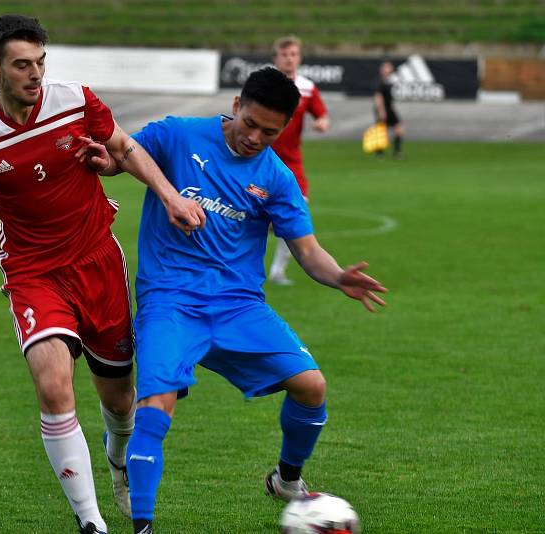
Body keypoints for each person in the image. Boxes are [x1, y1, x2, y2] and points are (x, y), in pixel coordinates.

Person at [0, 14, 205, 534]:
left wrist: (169, 195)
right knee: (53, 386)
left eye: (40, 62)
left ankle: (117, 460)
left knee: (119, 399)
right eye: (22, 65)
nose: (35, 74)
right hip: (33, 273)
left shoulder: (76, 101)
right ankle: (90, 521)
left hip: (97, 261)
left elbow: (124, 149)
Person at [84, 67, 387, 533]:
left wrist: (338, 275)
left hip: (238, 306)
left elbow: (307, 250)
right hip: (170, 301)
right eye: (250, 124)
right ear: (236, 106)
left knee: (312, 386)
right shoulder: (178, 135)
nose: (255, 138)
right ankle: (142, 525)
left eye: (270, 132)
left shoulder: (276, 178)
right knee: (155, 409)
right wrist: (105, 163)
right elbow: (124, 155)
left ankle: (287, 480)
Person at [267, 35, 331, 286]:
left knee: (295, 215)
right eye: (284, 54)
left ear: (299, 58)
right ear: (276, 58)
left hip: (292, 165)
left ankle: (278, 271)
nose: (289, 58)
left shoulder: (307, 88)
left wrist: (322, 123)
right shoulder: (264, 84)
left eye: (293, 54)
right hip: (261, 161)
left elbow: (323, 115)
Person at [373, 60, 405, 160]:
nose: (389, 69)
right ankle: (379, 152)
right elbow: (378, 97)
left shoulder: (388, 80)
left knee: (399, 128)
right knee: (382, 130)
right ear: (382, 69)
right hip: (383, 109)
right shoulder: (380, 82)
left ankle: (396, 151)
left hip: (389, 108)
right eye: (387, 67)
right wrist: (382, 111)